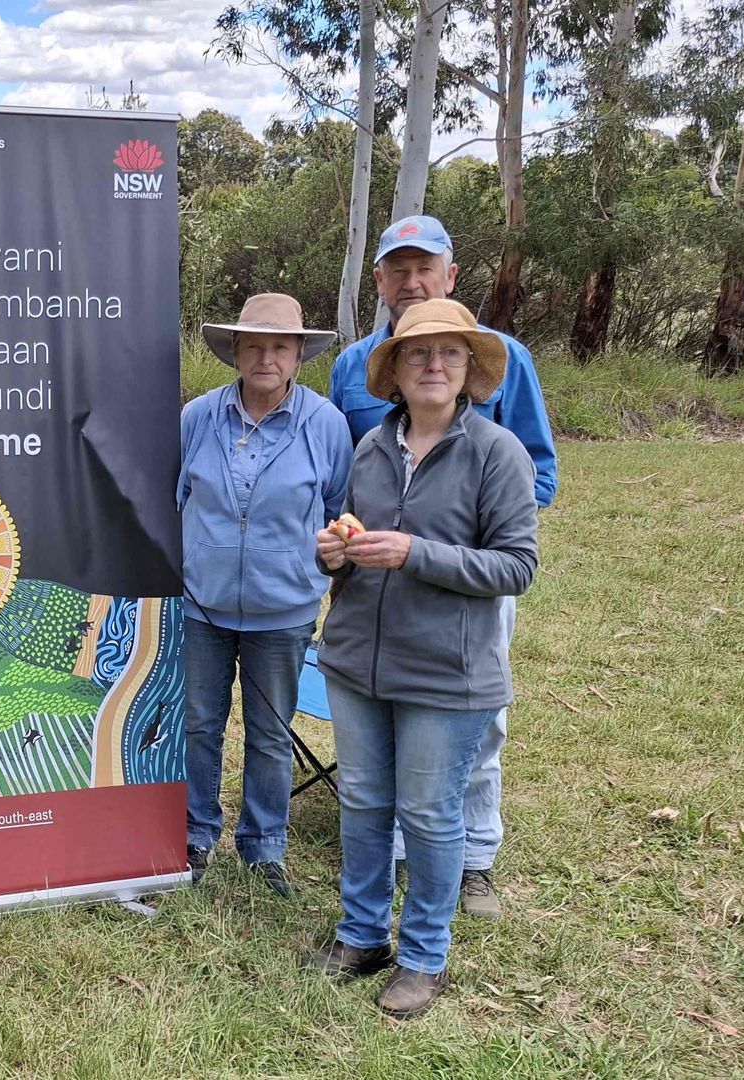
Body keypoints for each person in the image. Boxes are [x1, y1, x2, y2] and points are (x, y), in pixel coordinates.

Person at [306, 298, 539, 1019]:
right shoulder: (371, 449)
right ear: (395, 371)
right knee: (366, 803)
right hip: (355, 662)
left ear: (471, 371)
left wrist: (416, 554)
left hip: (448, 672)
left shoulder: (497, 453)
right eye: (417, 353)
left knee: (432, 815)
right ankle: (362, 934)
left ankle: (425, 956)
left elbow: (516, 566)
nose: (434, 365)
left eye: (450, 353)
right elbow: (352, 558)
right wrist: (334, 556)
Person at [327, 214, 557, 919]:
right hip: (370, 599)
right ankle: (401, 858)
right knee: (390, 755)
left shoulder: (503, 358)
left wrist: (451, 519)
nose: (412, 279)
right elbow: (349, 477)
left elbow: (533, 477)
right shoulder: (352, 368)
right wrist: (342, 541)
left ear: (451, 274)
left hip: (468, 580)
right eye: (398, 269)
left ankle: (474, 860)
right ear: (379, 282)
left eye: (425, 266)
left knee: (471, 732)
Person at [177, 294, 350, 897]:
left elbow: (338, 514)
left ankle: (263, 846)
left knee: (271, 731)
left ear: (299, 353)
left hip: (286, 610)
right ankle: (195, 835)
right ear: (235, 352)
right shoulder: (197, 416)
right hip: (201, 605)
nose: (266, 356)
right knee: (199, 725)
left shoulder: (325, 423)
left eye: (279, 345)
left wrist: (318, 565)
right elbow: (173, 500)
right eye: (254, 344)